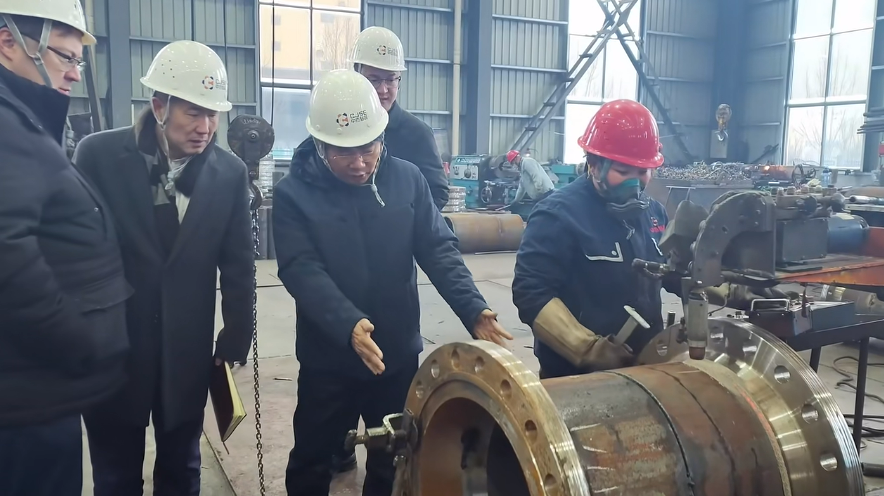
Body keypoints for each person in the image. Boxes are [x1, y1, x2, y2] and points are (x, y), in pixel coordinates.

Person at [274, 69, 513, 496]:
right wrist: (347, 323)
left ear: (382, 136)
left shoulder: (408, 180)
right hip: (329, 360)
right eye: (344, 152)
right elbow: (301, 268)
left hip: (396, 356)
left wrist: (473, 307)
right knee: (313, 457)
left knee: (393, 458)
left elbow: (438, 248)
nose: (359, 163)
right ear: (320, 145)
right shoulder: (294, 194)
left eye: (368, 148)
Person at [73, 40, 255, 495]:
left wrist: (234, 338)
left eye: (213, 115)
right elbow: (78, 255)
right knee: (115, 475)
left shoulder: (229, 174)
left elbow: (238, 265)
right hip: (116, 349)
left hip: (186, 352)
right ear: (159, 107)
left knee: (181, 470)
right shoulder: (98, 157)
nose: (205, 127)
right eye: (193, 113)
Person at [0, 3, 131, 495]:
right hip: (28, 398)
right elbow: (8, 257)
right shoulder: (8, 126)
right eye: (64, 57)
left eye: (79, 61)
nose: (75, 73)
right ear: (8, 43)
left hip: (34, 390)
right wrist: (78, 343)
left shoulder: (24, 119)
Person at [512, 99, 676, 379]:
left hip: (646, 368)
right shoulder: (557, 215)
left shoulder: (654, 213)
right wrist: (587, 349)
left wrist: (722, 285)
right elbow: (532, 293)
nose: (634, 183)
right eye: (623, 172)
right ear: (594, 164)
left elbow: (674, 271)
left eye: (642, 172)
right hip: (575, 377)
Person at [352, 26, 449, 210]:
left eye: (391, 79)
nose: (383, 90)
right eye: (374, 80)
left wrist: (401, 219)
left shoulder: (417, 134)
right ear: (357, 76)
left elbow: (438, 193)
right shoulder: (341, 127)